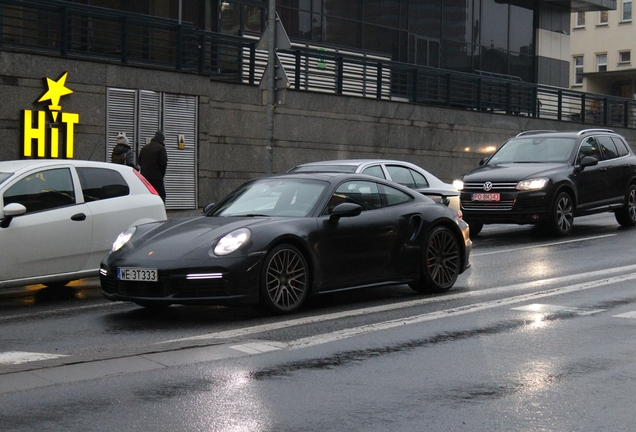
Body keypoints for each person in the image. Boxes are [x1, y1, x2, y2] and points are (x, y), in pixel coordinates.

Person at [138, 130, 168, 203]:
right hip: (156, 178)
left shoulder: (145, 148)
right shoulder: (161, 148)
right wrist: (161, 175)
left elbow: (139, 161)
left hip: (145, 178)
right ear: (161, 139)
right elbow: (163, 163)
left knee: (147, 196)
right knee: (161, 196)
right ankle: (159, 213)